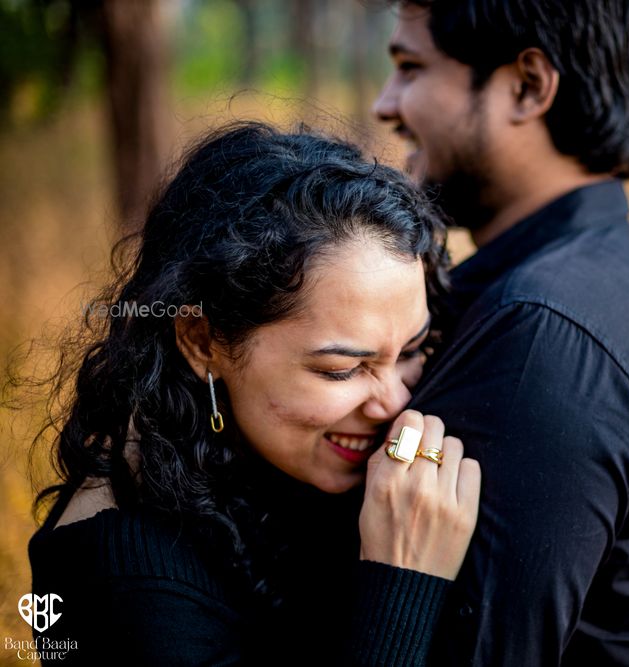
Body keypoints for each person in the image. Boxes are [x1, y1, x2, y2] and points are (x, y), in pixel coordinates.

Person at [26, 122, 480, 666]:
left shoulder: (263, 463)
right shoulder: (132, 588)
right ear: (202, 340)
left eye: (411, 350)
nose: (394, 403)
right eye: (341, 369)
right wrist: (403, 582)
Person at [372, 1, 629, 665]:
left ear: (528, 86)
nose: (385, 104)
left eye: (410, 68)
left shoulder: (544, 336)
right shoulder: (581, 273)